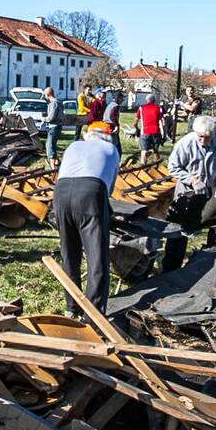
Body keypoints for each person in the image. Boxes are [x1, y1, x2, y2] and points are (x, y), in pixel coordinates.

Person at [52, 121, 121, 316]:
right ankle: (93, 310)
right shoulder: (111, 149)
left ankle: (71, 307)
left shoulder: (73, 146)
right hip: (91, 192)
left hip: (61, 192)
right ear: (109, 137)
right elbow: (110, 188)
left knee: (69, 252)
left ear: (88, 135)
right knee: (96, 255)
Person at [161, 115, 216, 272]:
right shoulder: (185, 144)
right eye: (200, 137)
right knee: (179, 231)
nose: (203, 141)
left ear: (214, 133)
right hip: (188, 193)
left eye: (207, 137)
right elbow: (173, 167)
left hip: (214, 190)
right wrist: (192, 180)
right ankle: (170, 271)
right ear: (195, 132)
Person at [135, 93, 164, 164]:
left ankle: (143, 168)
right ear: (154, 100)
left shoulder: (141, 108)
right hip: (156, 132)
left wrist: (137, 130)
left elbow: (135, 121)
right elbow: (163, 123)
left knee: (144, 151)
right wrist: (164, 134)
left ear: (146, 100)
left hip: (145, 132)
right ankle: (156, 167)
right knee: (155, 150)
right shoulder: (159, 109)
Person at [43, 87, 65, 169]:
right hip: (57, 126)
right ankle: (57, 163)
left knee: (50, 146)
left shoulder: (53, 103)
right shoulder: (58, 102)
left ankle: (52, 168)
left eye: (45, 94)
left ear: (48, 94)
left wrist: (44, 119)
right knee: (53, 145)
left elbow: (51, 117)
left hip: (54, 126)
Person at [103, 90, 124, 157]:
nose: (123, 100)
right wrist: (117, 126)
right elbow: (112, 116)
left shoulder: (110, 104)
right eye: (122, 98)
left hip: (105, 126)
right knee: (116, 148)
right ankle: (116, 163)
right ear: (118, 98)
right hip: (111, 127)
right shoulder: (115, 106)